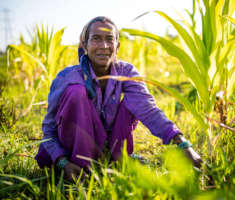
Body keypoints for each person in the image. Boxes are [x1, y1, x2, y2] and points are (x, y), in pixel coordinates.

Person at [35, 16, 202, 182]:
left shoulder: (126, 72)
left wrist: (182, 144)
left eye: (110, 39)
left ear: (117, 46)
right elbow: (49, 129)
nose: (104, 46)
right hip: (71, 152)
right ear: (84, 45)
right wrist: (62, 162)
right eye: (96, 39)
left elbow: (148, 109)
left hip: (108, 144)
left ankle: (117, 159)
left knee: (134, 101)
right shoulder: (67, 77)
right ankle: (81, 165)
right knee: (77, 92)